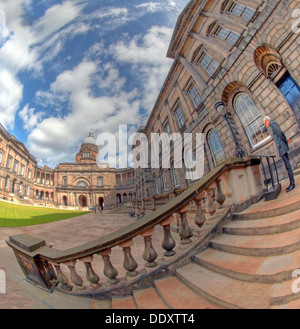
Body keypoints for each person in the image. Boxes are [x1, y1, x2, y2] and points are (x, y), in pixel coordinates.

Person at [263, 116, 295, 192]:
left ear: (267, 121)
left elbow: (280, 133)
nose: (266, 125)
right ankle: (291, 183)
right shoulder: (272, 124)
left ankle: (292, 184)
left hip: (282, 148)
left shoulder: (273, 124)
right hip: (282, 147)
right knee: (288, 166)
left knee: (288, 166)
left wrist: (285, 141)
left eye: (265, 123)